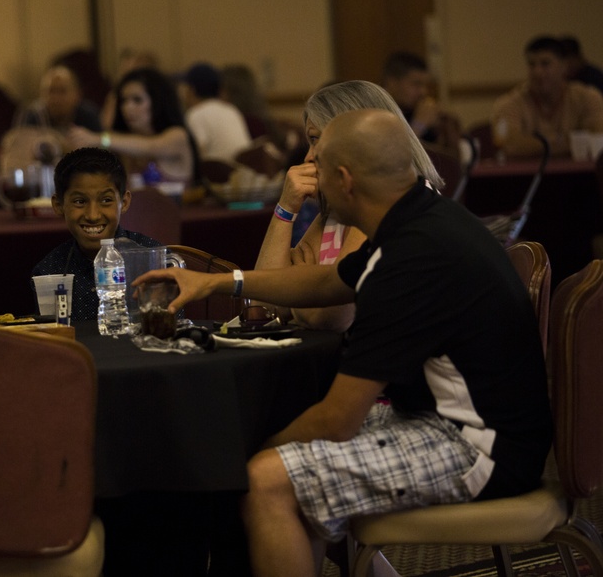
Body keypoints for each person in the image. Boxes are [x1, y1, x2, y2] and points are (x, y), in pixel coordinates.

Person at [137, 108, 552, 577]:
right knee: (283, 459)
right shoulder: (421, 218)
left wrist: (259, 451)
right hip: (475, 426)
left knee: (265, 480)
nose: (311, 169)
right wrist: (218, 283)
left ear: (344, 179)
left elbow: (337, 420)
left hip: (478, 449)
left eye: (319, 161)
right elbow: (327, 282)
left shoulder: (410, 261)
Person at [254, 80, 443, 332]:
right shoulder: (337, 210)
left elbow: (330, 317)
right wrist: (285, 207)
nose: (309, 157)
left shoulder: (392, 203)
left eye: (316, 140)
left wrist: (296, 289)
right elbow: (264, 303)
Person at [31, 147, 161, 321]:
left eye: (106, 200)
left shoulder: (152, 258)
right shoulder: (48, 271)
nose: (93, 215)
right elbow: (49, 341)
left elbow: (172, 330)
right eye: (80, 201)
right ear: (58, 205)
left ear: (124, 202)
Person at [68, 67, 199, 187]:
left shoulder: (177, 135)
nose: (127, 108)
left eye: (137, 100)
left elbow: (150, 147)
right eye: (124, 100)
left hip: (175, 212)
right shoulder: (123, 143)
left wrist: (100, 139)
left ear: (158, 102)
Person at [492, 35, 603, 157]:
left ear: (564, 66)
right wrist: (567, 142)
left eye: (545, 64)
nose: (537, 72)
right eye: (532, 64)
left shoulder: (587, 97)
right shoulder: (509, 103)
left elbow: (597, 137)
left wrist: (535, 145)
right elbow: (509, 145)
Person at [380, 51, 462, 156]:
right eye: (416, 84)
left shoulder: (415, 110)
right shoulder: (375, 112)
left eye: (425, 85)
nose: (424, 92)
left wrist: (444, 128)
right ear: (391, 83)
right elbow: (391, 156)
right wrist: (419, 125)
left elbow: (452, 161)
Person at [179, 62, 251, 163]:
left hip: (219, 176)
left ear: (192, 90)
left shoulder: (196, 114)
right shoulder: (231, 110)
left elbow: (197, 155)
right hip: (243, 174)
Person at [16, 64, 102, 132]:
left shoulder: (88, 115)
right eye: (51, 91)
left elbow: (104, 144)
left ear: (77, 95)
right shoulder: (33, 115)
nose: (56, 98)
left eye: (62, 91)